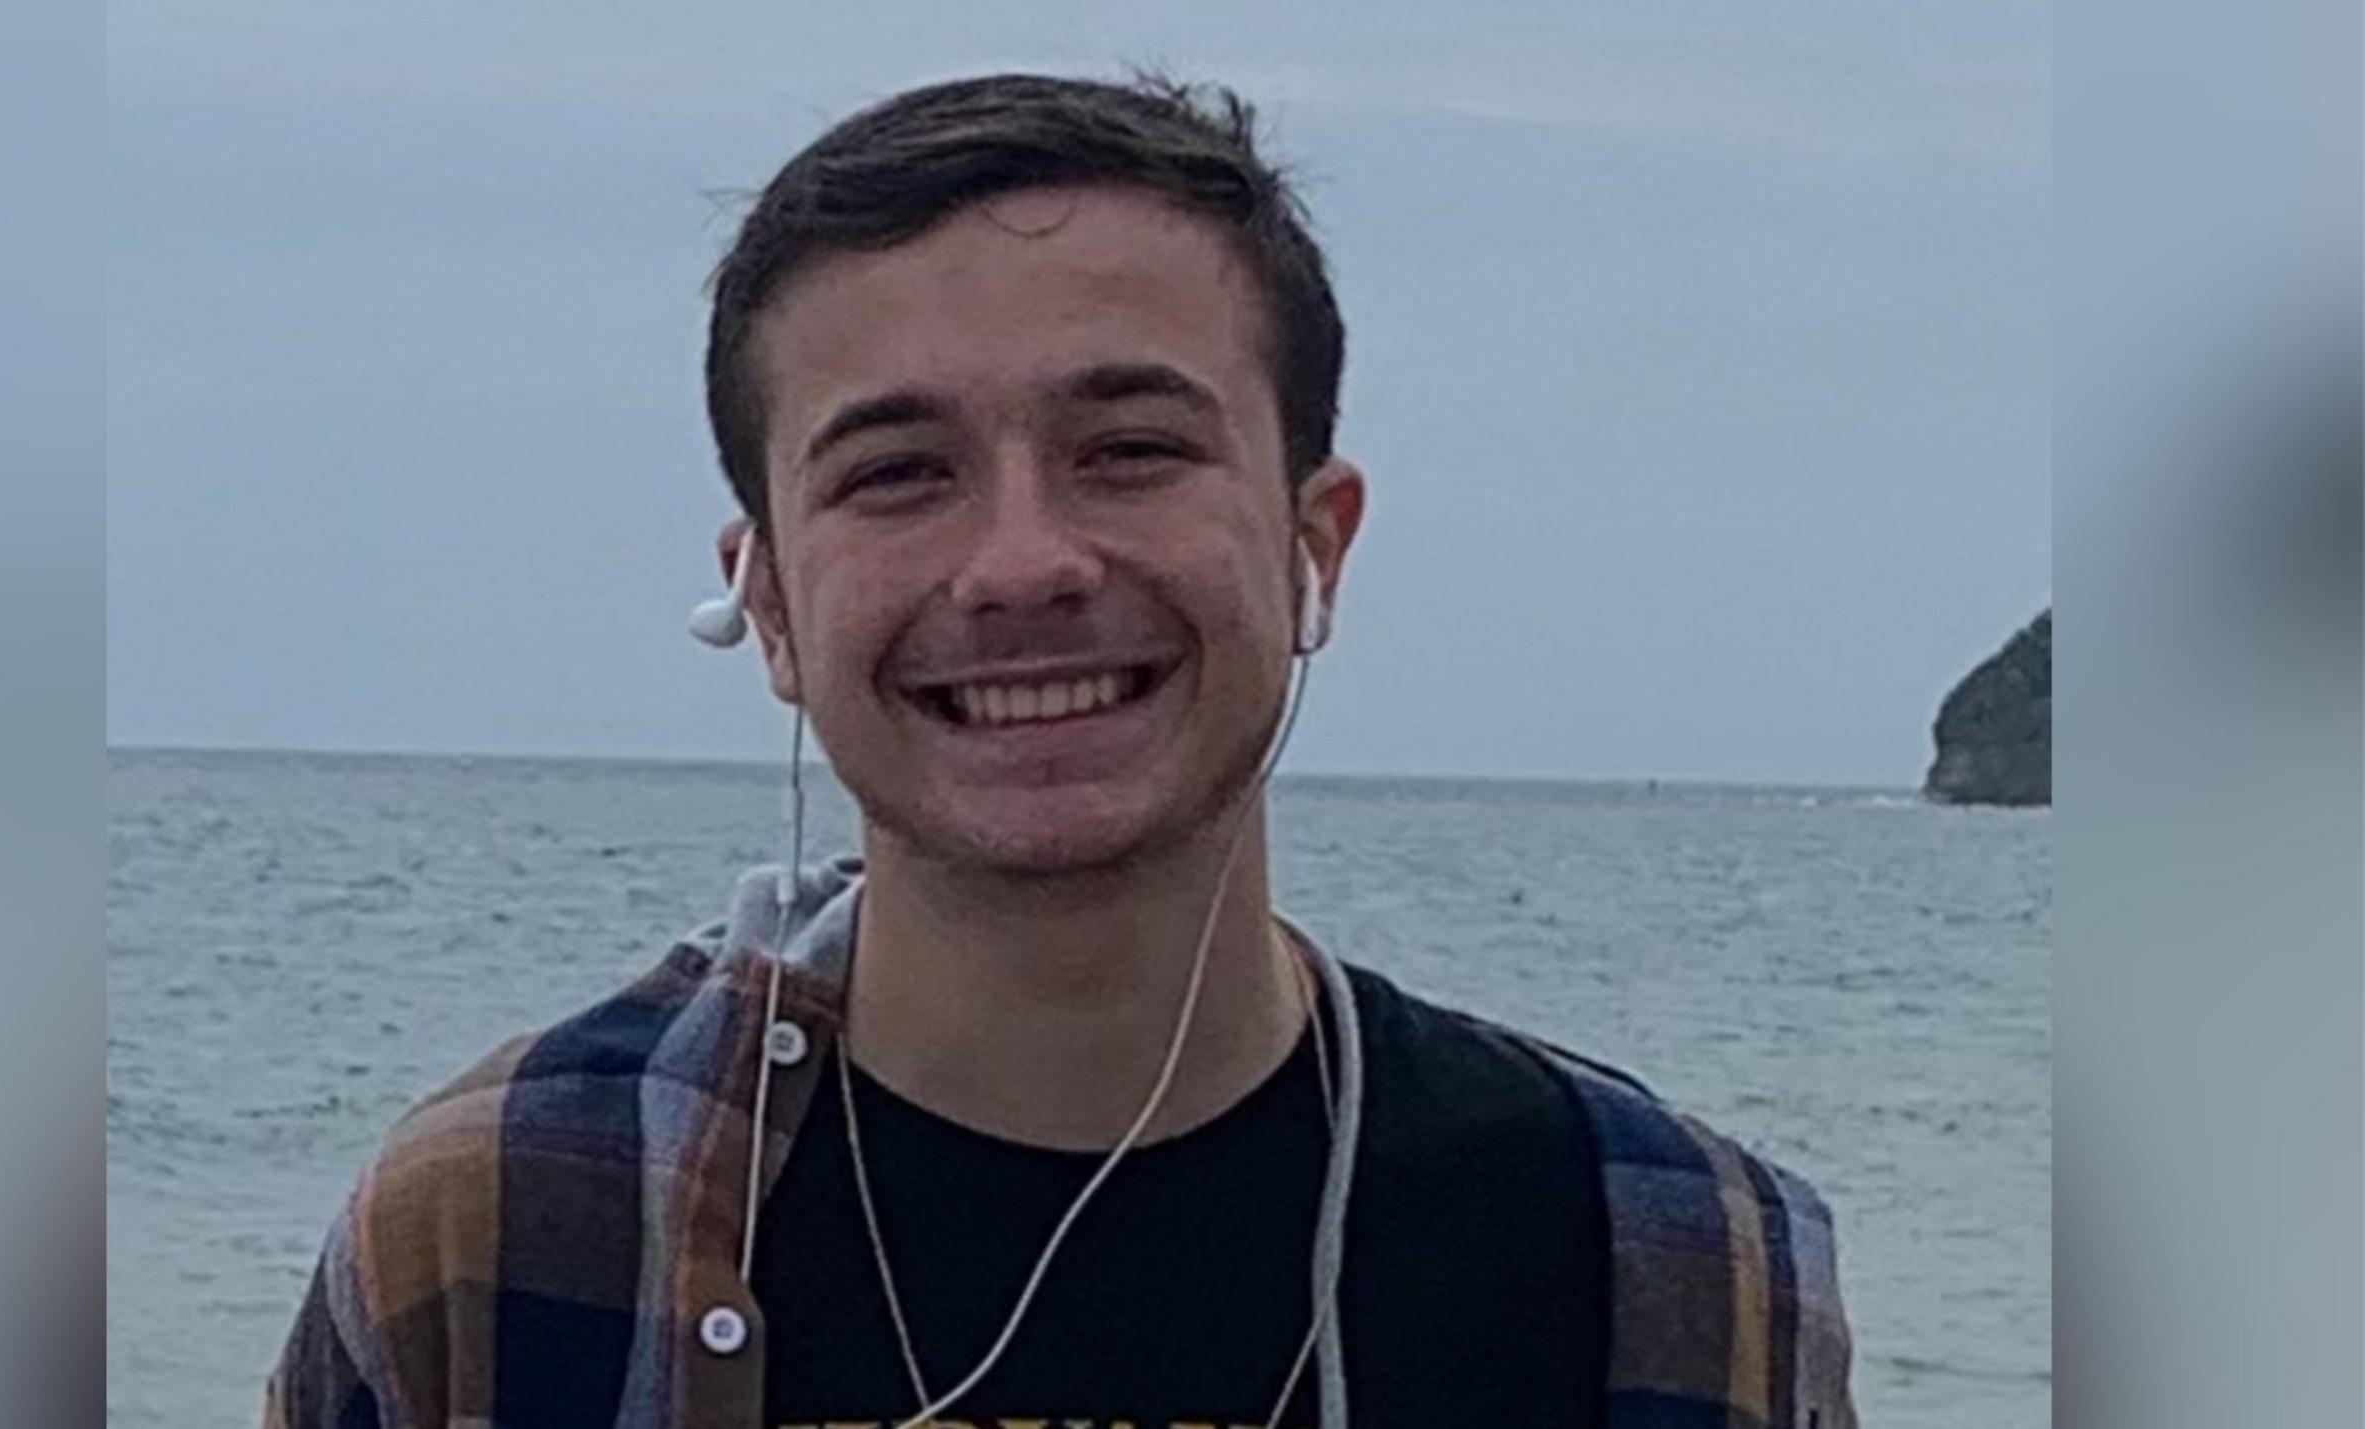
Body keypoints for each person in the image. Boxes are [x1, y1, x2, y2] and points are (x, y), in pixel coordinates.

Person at [264, 73, 1857, 1429]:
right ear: (770, 605)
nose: (1022, 563)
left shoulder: (1663, 1253)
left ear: (1318, 544)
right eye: (899, 472)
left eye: (1132, 450)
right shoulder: (499, 1233)